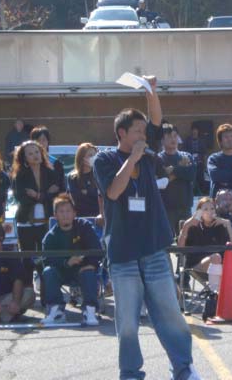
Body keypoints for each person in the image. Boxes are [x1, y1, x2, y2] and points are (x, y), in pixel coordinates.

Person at [93, 75, 199, 380]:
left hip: (153, 247)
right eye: (137, 131)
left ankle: (183, 368)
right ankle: (130, 373)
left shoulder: (149, 153)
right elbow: (113, 192)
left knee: (170, 313)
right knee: (127, 321)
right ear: (122, 133)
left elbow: (156, 119)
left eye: (144, 131)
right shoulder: (104, 159)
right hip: (123, 252)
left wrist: (151, 92)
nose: (144, 134)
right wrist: (133, 159)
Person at [41, 194, 103, 326]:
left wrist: (91, 264)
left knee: (89, 273)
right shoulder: (50, 237)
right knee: (48, 272)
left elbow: (97, 249)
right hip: (61, 272)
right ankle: (56, 310)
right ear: (55, 215)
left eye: (68, 211)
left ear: (74, 213)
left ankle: (89, 310)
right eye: (61, 211)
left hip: (82, 270)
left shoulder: (85, 226)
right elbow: (47, 260)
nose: (65, 215)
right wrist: (66, 262)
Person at [11, 140, 60, 284]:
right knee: (27, 257)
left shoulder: (50, 172)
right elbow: (21, 198)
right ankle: (28, 289)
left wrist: (38, 195)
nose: (35, 155)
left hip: (46, 221)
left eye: (37, 152)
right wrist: (46, 194)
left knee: (45, 257)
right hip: (26, 221)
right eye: (30, 153)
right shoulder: (20, 175)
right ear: (24, 157)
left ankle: (46, 288)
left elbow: (56, 194)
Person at [178, 197, 232, 293]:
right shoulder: (192, 226)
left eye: (212, 208)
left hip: (222, 263)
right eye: (205, 209)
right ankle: (215, 293)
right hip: (197, 264)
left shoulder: (220, 225)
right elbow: (180, 249)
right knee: (216, 257)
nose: (210, 212)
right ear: (199, 212)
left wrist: (228, 225)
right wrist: (186, 226)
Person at [158, 124, 196, 236]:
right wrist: (181, 168)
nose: (173, 139)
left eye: (175, 136)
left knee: (187, 240)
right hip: (165, 208)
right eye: (169, 136)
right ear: (162, 140)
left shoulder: (187, 156)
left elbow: (191, 175)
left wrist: (174, 169)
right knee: (167, 241)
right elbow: (162, 179)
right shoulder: (158, 159)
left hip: (185, 207)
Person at [67, 142, 104, 219]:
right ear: (82, 158)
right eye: (90, 155)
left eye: (95, 155)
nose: (94, 158)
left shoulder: (99, 174)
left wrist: (86, 192)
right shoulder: (72, 177)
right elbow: (77, 199)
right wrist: (90, 193)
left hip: (98, 217)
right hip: (80, 218)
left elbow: (101, 197)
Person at [30, 125, 66, 192]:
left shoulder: (56, 164)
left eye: (43, 140)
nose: (41, 143)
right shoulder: (27, 164)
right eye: (38, 140)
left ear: (48, 141)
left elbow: (61, 188)